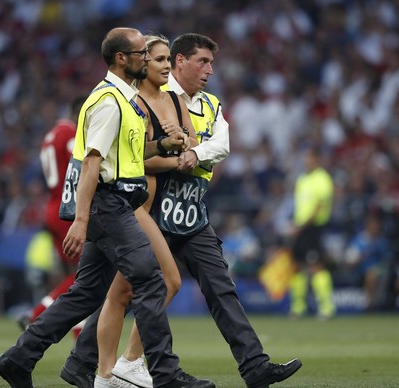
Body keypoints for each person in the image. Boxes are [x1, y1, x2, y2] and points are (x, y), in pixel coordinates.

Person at [62, 32, 302, 388]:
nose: (209, 70)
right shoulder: (152, 93)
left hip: (190, 212)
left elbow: (222, 144)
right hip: (153, 207)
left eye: (212, 63)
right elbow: (133, 151)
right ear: (179, 61)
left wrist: (195, 152)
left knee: (220, 286)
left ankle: (255, 366)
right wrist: (176, 155)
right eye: (202, 62)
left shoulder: (209, 105)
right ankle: (88, 363)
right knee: (127, 290)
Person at [0, 27, 214, 388]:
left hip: (112, 203)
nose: (148, 58)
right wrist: (80, 220)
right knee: (151, 281)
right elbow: (92, 162)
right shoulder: (110, 102)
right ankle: (166, 374)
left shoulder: (122, 100)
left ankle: (20, 357)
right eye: (142, 53)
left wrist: (164, 145)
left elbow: (124, 156)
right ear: (122, 59)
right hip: (108, 205)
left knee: (86, 292)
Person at [94, 33, 197, 388]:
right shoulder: (130, 102)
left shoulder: (173, 99)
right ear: (140, 63)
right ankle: (128, 363)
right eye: (158, 59)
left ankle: (106, 375)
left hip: (157, 208)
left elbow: (193, 143)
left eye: (169, 59)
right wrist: (171, 156)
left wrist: (182, 144)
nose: (167, 65)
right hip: (134, 204)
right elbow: (133, 161)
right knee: (169, 281)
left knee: (120, 293)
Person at [18, 95, 86, 332]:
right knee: (86, 276)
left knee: (77, 278)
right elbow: (78, 167)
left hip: (53, 208)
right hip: (69, 209)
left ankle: (74, 329)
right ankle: (37, 314)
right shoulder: (71, 134)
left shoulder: (52, 134)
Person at [288, 147, 336, 319]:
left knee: (316, 266)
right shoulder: (302, 179)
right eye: (305, 158)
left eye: (310, 158)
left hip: (313, 228)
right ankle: (298, 307)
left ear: (317, 160)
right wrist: (295, 224)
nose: (306, 162)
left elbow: (319, 207)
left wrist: (300, 226)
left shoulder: (322, 179)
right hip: (300, 228)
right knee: (298, 266)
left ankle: (326, 307)